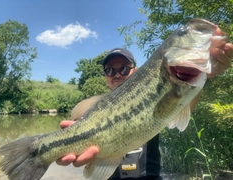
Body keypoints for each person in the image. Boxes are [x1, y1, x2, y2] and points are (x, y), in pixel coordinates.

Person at [56, 28, 233, 179]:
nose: (117, 74)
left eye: (124, 68)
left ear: (136, 70)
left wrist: (201, 75)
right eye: (110, 70)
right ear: (105, 76)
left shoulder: (154, 94)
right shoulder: (93, 111)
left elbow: (179, 107)